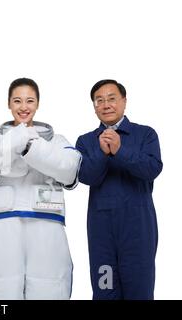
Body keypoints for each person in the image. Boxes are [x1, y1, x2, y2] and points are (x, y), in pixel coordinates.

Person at [0, 78, 81, 299]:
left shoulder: (56, 141)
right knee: (0, 289)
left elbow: (70, 170)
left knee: (50, 287)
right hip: (2, 226)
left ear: (37, 104)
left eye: (30, 101)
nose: (24, 107)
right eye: (17, 100)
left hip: (47, 227)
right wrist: (12, 141)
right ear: (9, 103)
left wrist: (31, 146)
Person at [76, 79, 163, 300]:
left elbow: (152, 169)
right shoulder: (86, 142)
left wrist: (120, 150)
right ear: (94, 107)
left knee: (139, 291)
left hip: (138, 228)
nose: (106, 105)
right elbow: (86, 176)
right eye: (99, 100)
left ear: (124, 101)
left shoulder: (145, 134)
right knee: (105, 289)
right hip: (101, 231)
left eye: (112, 98)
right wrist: (103, 153)